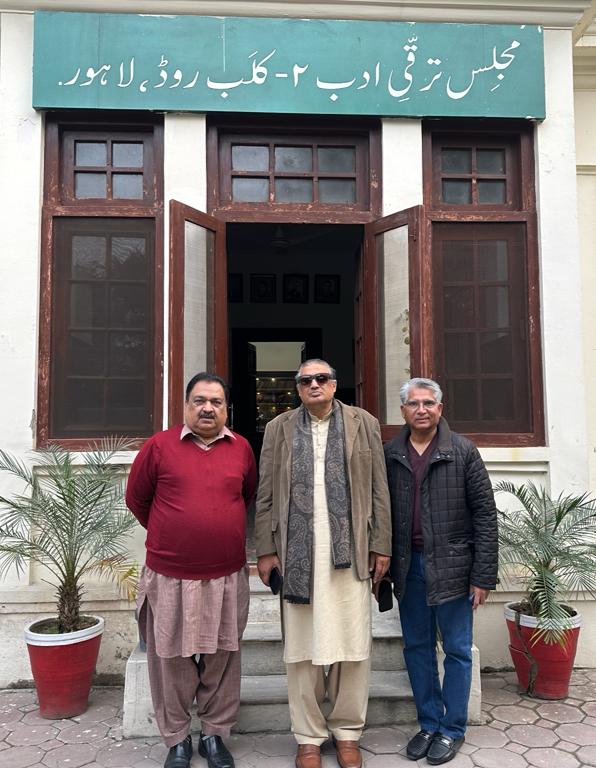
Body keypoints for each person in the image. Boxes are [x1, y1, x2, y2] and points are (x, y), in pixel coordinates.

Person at [255, 359, 391, 768]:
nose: (314, 384)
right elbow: (265, 493)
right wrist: (265, 548)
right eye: (305, 380)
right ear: (297, 388)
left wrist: (381, 544)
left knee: (352, 645)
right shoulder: (278, 428)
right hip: (296, 555)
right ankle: (308, 736)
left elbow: (380, 488)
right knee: (301, 649)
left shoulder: (363, 423)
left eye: (321, 378)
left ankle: (347, 731)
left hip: (351, 552)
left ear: (334, 384)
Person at [126, 373, 257, 768]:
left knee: (222, 656)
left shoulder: (242, 448)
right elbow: (137, 499)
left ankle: (215, 734)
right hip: (169, 574)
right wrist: (174, 534)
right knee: (170, 658)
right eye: (199, 401)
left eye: (216, 402)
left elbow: (247, 495)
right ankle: (178, 738)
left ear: (226, 409)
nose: (207, 409)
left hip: (226, 575)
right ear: (185, 406)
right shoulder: (159, 446)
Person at [384, 378, 498, 765]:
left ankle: (452, 729)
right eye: (414, 403)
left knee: (457, 650)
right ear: (403, 410)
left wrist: (482, 576)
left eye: (428, 403)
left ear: (440, 408)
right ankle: (428, 723)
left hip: (454, 567)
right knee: (417, 648)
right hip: (409, 567)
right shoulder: (390, 453)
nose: (421, 409)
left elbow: (485, 517)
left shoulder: (463, 451)